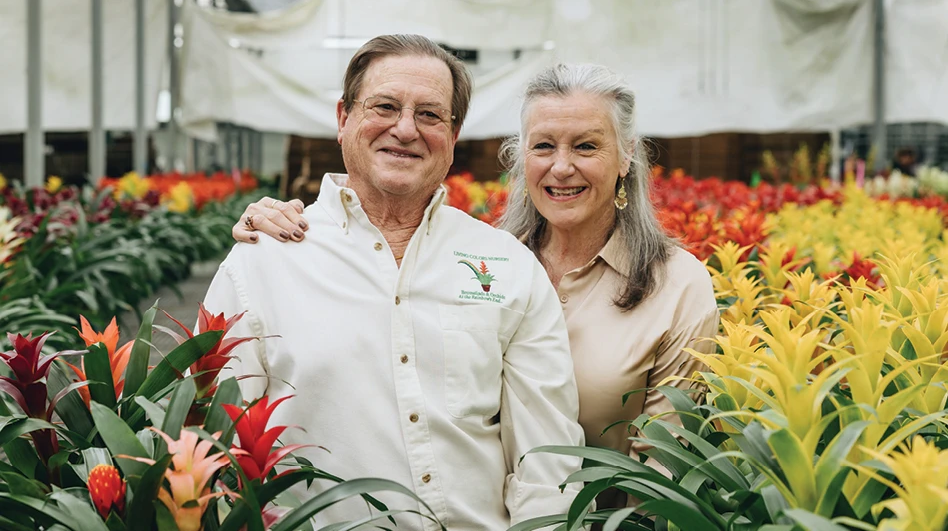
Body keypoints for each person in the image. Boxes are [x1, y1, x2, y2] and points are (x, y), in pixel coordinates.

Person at [236, 63, 719, 508]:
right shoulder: (488, 259)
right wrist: (290, 225)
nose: (562, 166)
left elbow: (667, 469)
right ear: (520, 156)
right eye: (544, 146)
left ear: (626, 156)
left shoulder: (675, 284)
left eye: (587, 146)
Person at [204, 35, 584, 530]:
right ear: (344, 119)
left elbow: (547, 456)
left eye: (429, 115)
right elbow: (216, 444)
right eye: (384, 107)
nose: (405, 129)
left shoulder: (506, 264)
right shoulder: (263, 260)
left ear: (454, 134)